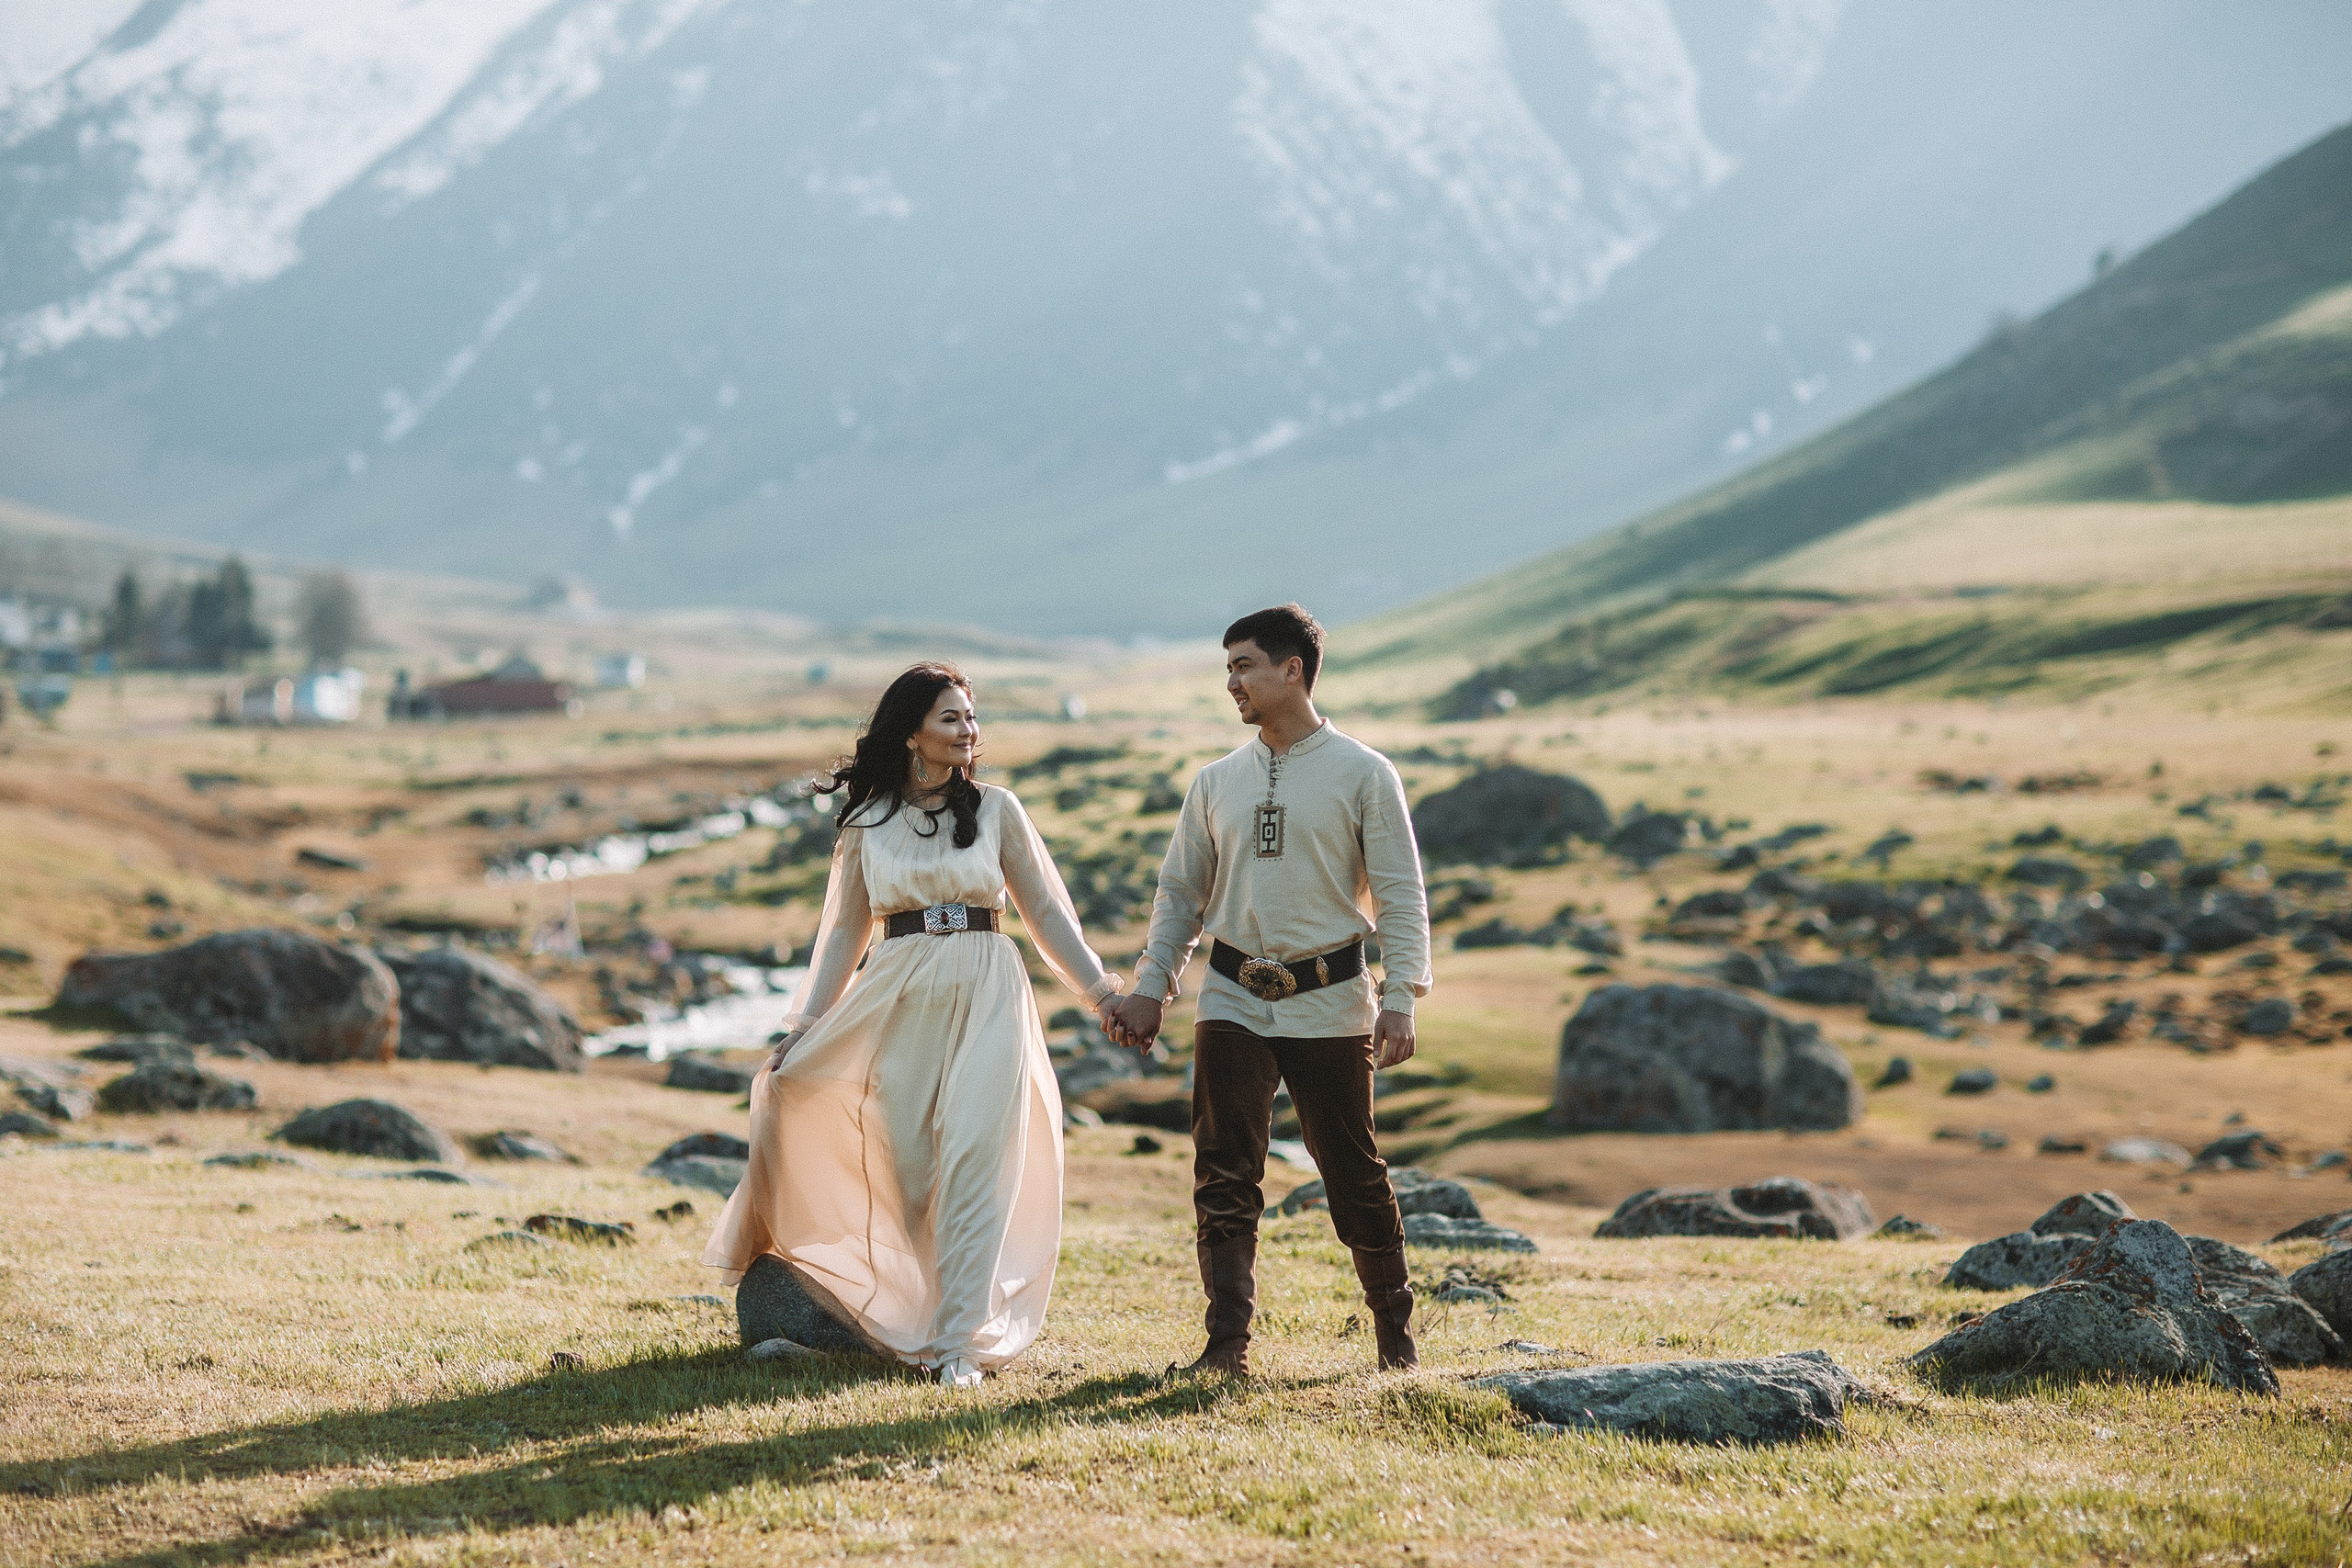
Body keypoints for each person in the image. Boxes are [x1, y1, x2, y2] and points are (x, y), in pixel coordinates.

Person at [703, 663, 1124, 1387]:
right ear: (912, 734)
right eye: (952, 717)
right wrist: (806, 1025)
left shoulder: (999, 810)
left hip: (989, 991)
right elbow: (842, 935)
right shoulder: (867, 823)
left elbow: (1047, 913)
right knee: (912, 1175)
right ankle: (922, 1321)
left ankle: (959, 1347)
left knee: (972, 1160)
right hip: (896, 999)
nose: (970, 729)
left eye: (971, 716)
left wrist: (1104, 991)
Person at [1102, 604, 1432, 1377]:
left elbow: (1400, 897)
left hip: (1332, 998)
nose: (1231, 683)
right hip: (1232, 997)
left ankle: (1395, 1337)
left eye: (1244, 665)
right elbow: (1179, 896)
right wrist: (1154, 985)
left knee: (1352, 1169)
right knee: (1223, 1170)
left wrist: (1402, 997)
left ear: (1294, 670)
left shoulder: (1364, 773)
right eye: (1227, 669)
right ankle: (1226, 1349)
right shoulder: (1215, 781)